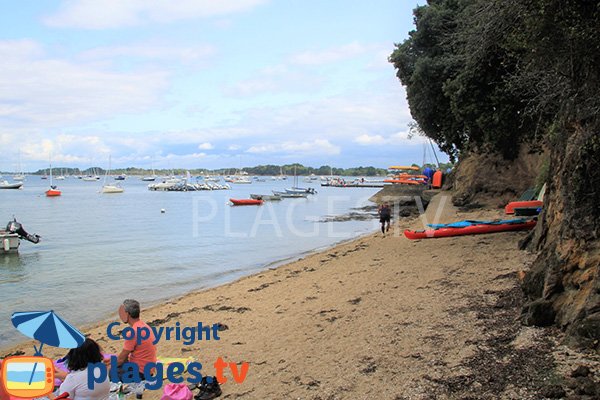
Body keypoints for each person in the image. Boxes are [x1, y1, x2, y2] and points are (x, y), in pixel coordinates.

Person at [117, 299, 157, 380]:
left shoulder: (132, 333)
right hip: (150, 369)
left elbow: (120, 360)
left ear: (127, 314)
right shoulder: (145, 326)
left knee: (110, 372)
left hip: (140, 373)